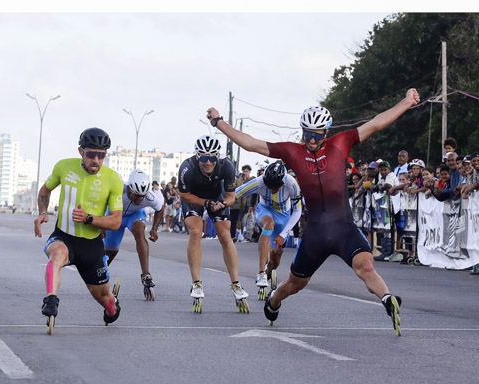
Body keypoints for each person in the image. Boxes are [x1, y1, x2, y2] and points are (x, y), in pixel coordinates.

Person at [207, 88, 420, 336]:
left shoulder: (342, 142)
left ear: (326, 132)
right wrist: (218, 122)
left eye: (316, 135)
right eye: (307, 134)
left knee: (366, 266)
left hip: (343, 229)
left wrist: (405, 102)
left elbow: (376, 123)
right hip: (316, 234)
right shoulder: (292, 151)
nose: (310, 140)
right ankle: (274, 301)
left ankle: (387, 299)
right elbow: (251, 143)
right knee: (295, 284)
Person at [34, 127, 124, 331]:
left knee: (104, 300)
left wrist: (89, 219)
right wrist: (42, 212)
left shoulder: (113, 179)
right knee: (56, 255)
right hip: (63, 236)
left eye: (101, 156)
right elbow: (45, 191)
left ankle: (113, 307)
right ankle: (51, 299)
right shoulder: (64, 167)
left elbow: (116, 221)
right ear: (80, 151)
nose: (97, 160)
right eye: (92, 154)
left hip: (91, 246)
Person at [177, 135, 249, 313]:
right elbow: (183, 195)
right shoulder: (187, 168)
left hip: (217, 196)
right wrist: (204, 203)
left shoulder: (227, 166)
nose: (208, 163)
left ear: (218, 156)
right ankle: (196, 284)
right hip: (194, 197)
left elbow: (232, 197)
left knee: (225, 235)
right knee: (195, 231)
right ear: (197, 156)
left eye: (211, 158)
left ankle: (236, 284)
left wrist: (223, 204)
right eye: (203, 158)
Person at [235, 160, 302, 300]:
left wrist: (283, 235)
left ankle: (268, 271)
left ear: (283, 182)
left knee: (275, 260)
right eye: (269, 186)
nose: (271, 190)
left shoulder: (292, 184)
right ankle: (260, 273)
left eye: (275, 187)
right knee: (269, 224)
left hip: (284, 215)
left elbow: (297, 212)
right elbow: (236, 193)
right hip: (265, 210)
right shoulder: (259, 182)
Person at [104, 169, 164, 301]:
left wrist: (154, 228)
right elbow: (102, 202)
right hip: (115, 215)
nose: (140, 199)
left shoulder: (149, 196)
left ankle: (146, 275)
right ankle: (101, 275)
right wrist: (101, 224)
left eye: (142, 196)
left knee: (139, 232)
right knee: (111, 251)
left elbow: (160, 208)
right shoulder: (118, 189)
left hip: (134, 216)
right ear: (130, 189)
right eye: (137, 195)